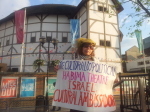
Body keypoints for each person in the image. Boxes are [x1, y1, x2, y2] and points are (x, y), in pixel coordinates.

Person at [54, 37, 119, 112]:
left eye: (91, 47)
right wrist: (58, 69)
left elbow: (104, 76)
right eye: (86, 46)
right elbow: (68, 76)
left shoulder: (98, 63)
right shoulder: (73, 63)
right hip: (78, 99)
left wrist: (113, 78)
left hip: (94, 99)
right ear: (81, 48)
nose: (88, 48)